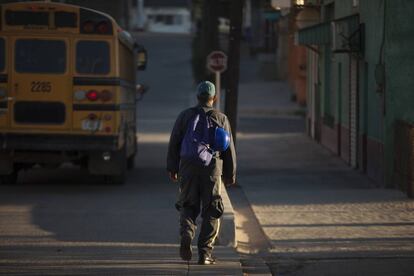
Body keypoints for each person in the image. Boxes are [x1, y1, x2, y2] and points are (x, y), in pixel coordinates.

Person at [167, 81, 237, 265]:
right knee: (212, 210)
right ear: (214, 98)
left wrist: (172, 168)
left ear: (198, 97)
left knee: (188, 205)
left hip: (188, 168)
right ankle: (205, 254)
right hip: (212, 169)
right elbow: (229, 149)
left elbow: (174, 142)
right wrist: (230, 174)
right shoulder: (220, 118)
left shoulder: (185, 116)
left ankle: (187, 235)